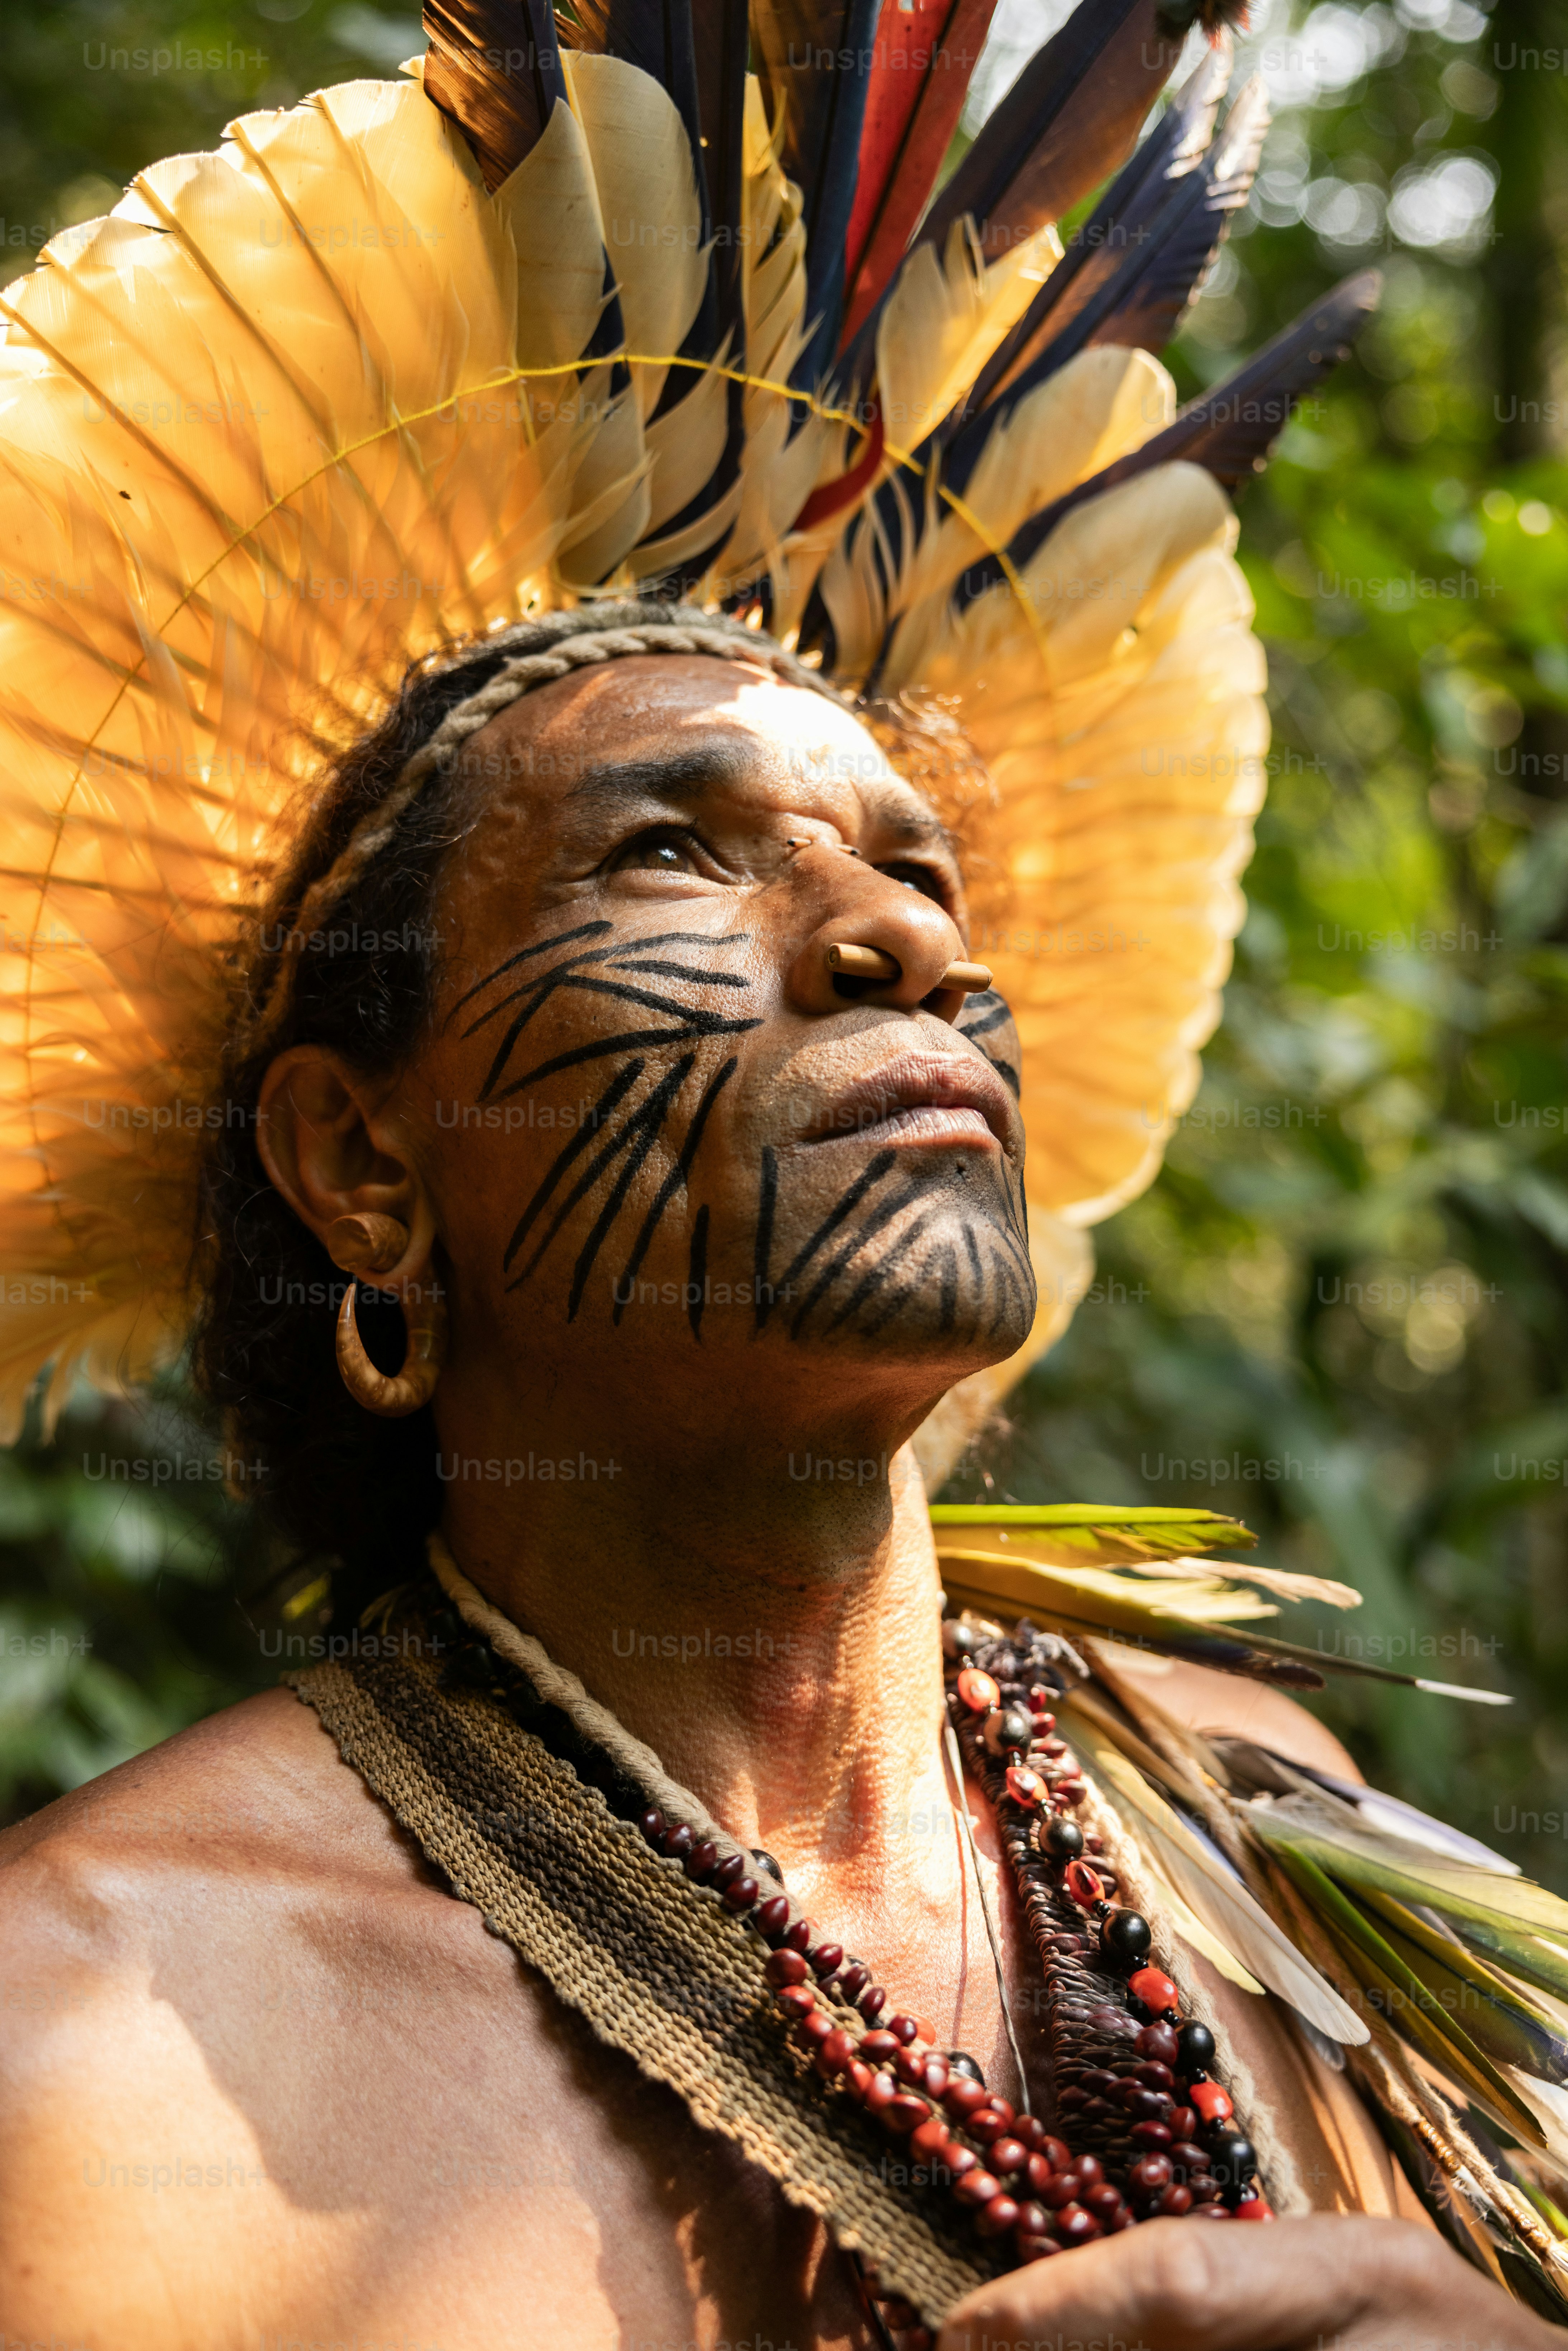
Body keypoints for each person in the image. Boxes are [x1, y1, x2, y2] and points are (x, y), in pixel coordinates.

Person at [0, 3, 1562, 2345]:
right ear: (360, 1163)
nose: (898, 938)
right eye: (664, 851)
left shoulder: (1262, 1828)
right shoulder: (94, 2046)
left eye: (918, 873)